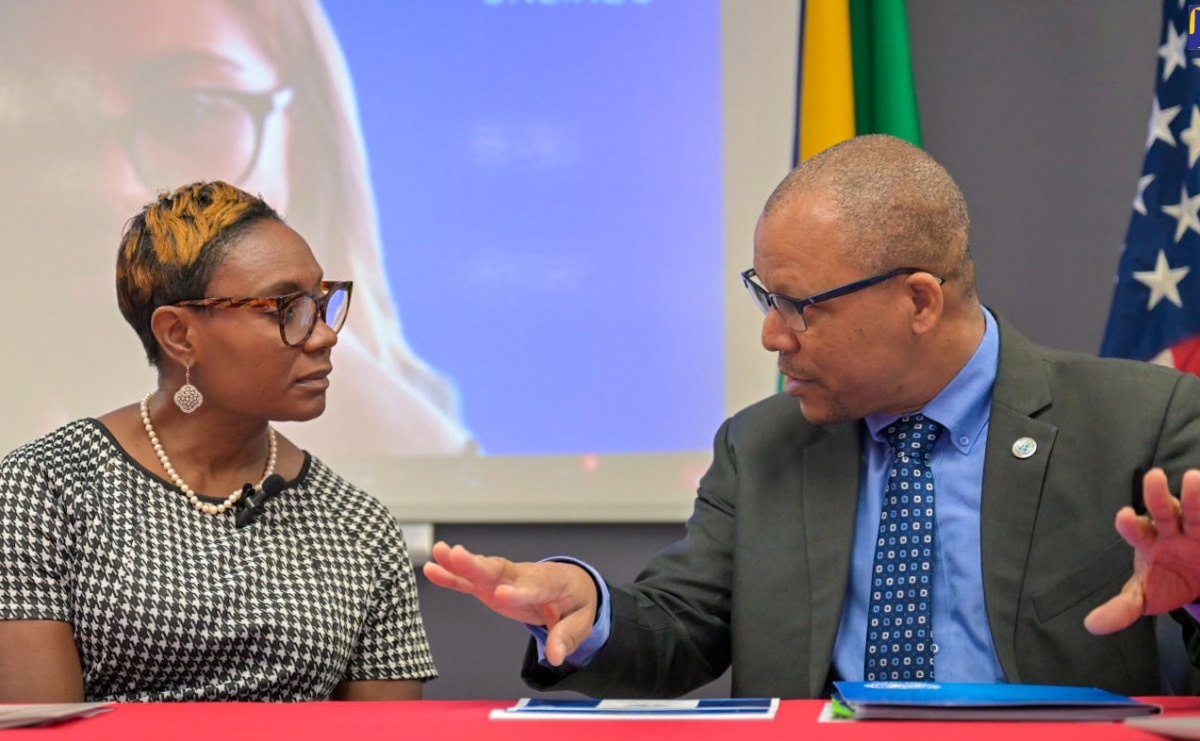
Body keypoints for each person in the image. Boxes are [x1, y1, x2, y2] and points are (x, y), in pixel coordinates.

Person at [425, 134, 1200, 699]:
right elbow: (681, 626)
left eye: (799, 305)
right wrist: (590, 610)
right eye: (765, 298)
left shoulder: (1143, 421)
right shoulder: (761, 444)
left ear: (919, 300)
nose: (772, 334)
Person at [0, 181, 437, 702]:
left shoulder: (358, 525)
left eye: (320, 303)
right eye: (285, 308)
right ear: (180, 335)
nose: (324, 335)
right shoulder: (41, 491)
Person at [0, 0, 471, 459]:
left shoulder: (353, 509)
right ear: (176, 335)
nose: (111, 182)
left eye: (192, 111)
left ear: (303, 142)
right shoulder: (43, 491)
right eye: (51, 123)